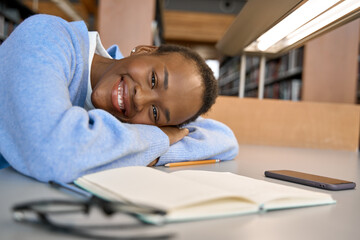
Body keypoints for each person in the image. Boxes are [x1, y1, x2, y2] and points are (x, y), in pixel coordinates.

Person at [0, 14, 238, 183]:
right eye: (153, 79)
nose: (140, 98)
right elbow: (53, 153)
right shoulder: (46, 36)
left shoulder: (127, 101)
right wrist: (156, 140)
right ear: (145, 50)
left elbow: (225, 139)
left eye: (155, 113)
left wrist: (151, 145)